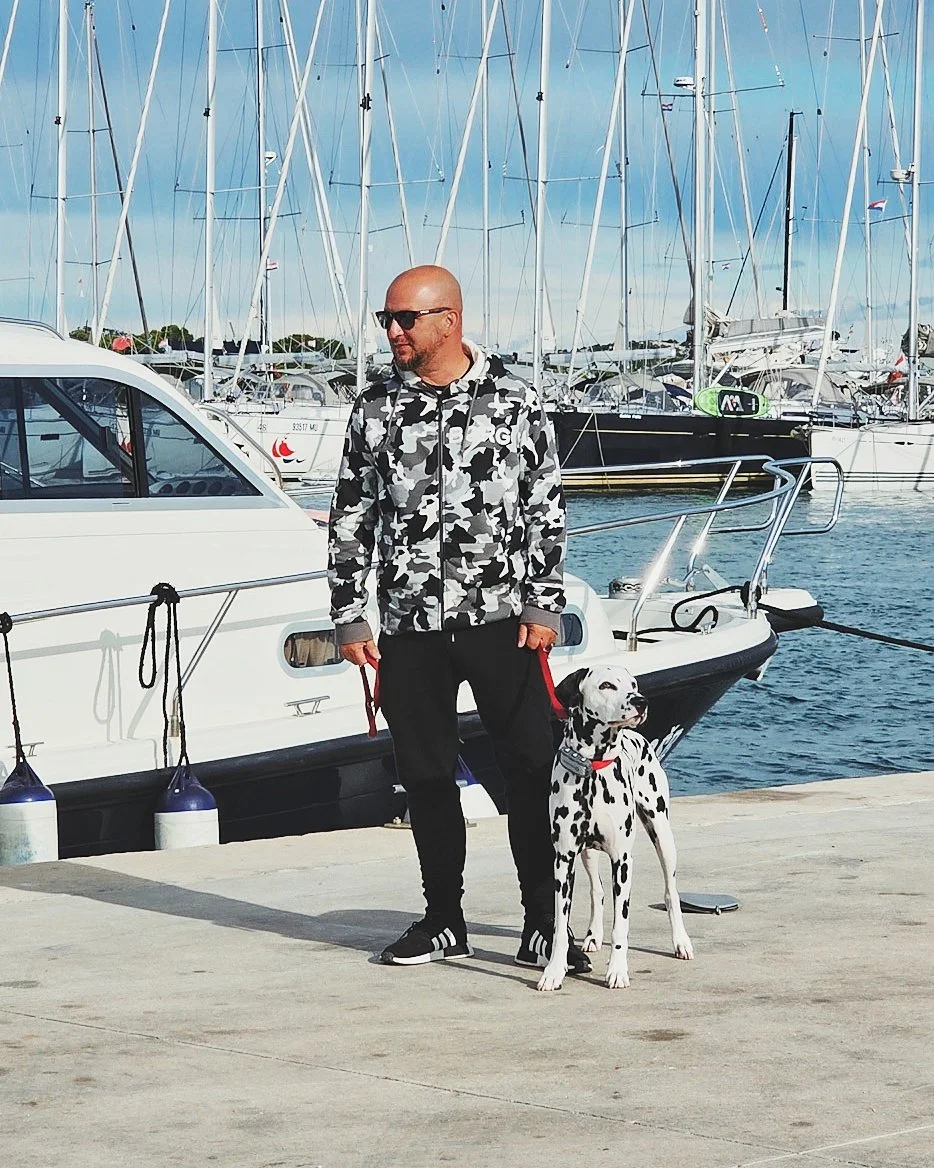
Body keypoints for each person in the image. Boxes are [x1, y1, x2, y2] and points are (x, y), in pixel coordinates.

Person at [327, 264, 590, 973]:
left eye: (405, 320)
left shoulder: (515, 399)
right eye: (386, 319)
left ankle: (546, 922)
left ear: (449, 320)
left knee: (533, 768)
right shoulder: (374, 407)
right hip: (410, 626)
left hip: (503, 621)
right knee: (426, 774)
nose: (392, 332)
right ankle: (443, 920)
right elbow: (352, 516)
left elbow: (546, 508)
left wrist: (544, 601)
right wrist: (350, 615)